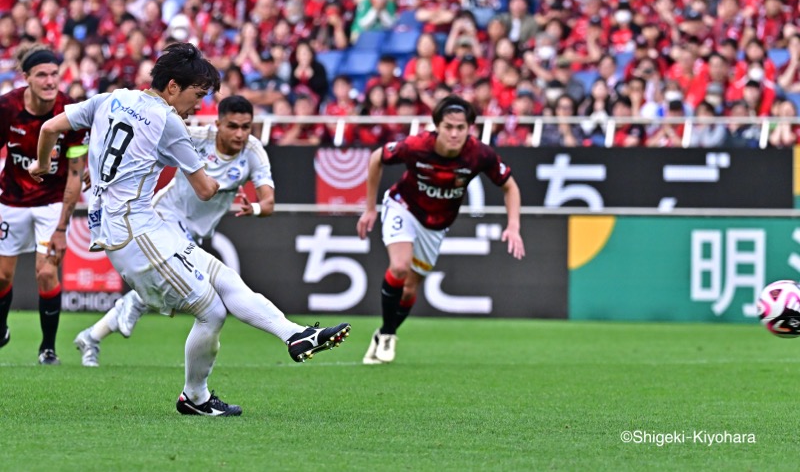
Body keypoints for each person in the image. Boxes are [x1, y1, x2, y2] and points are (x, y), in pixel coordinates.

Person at [29, 43, 350, 416]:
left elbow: (50, 127)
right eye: (197, 95)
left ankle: (294, 334)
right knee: (212, 311)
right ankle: (194, 397)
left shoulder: (110, 98)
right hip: (133, 230)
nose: (199, 106)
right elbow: (205, 188)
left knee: (224, 278)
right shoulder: (169, 122)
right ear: (172, 88)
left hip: (141, 223)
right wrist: (220, 183)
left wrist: (41, 165)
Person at [73, 95, 275, 367]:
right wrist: (102, 166)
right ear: (218, 123)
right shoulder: (196, 136)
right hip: (165, 216)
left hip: (197, 230)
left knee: (158, 289)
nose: (240, 134)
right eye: (232, 126)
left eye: (246, 127)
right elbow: (140, 139)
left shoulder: (253, 152)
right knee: (202, 290)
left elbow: (269, 201)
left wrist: (257, 208)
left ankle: (92, 336)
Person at [356, 95, 525, 364]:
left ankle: (383, 333)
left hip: (435, 226)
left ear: (470, 128)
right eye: (448, 127)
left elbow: (510, 186)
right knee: (399, 267)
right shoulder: (416, 145)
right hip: (404, 206)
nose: (454, 133)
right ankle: (388, 334)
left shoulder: (480, 154)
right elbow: (377, 158)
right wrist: (370, 208)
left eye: (461, 128)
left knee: (410, 289)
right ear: (437, 126)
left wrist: (513, 226)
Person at [0, 44, 87, 365]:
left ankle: (48, 348)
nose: (50, 81)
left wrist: (63, 227)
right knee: (1, 277)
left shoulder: (71, 112)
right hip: (10, 199)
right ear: (26, 78)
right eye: (42, 75)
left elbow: (76, 175)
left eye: (54, 74)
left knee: (46, 273)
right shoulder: (6, 108)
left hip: (52, 203)